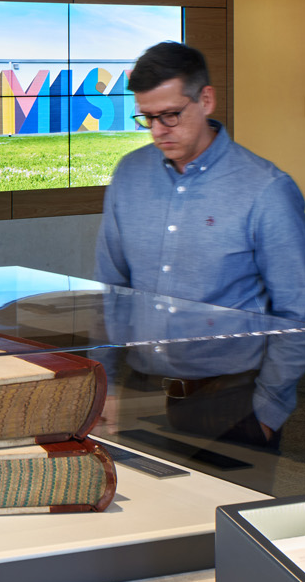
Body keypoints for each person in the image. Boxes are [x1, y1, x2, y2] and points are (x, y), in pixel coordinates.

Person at [94, 40, 305, 449]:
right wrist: (104, 386)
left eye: (170, 115)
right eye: (147, 118)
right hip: (142, 395)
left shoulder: (266, 190)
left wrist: (268, 408)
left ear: (205, 100)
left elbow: (297, 311)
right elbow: (110, 289)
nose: (158, 131)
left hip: (230, 402)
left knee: (221, 516)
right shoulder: (129, 176)